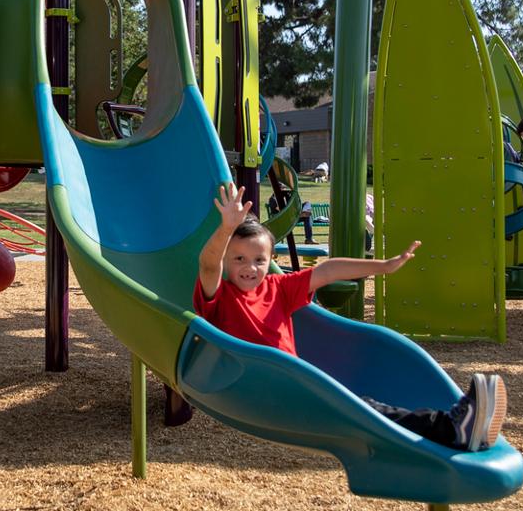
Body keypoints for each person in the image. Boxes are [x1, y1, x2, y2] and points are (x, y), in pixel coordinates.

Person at [196, 182, 506, 452]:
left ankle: (453, 428)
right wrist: (226, 228)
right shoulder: (220, 296)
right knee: (361, 408)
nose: (250, 267)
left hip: (297, 382)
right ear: (226, 260)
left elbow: (327, 271)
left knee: (363, 407)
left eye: (259, 260)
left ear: (271, 260)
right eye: (239, 259)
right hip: (259, 387)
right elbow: (209, 265)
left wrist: (382, 266)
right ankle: (453, 429)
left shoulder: (277, 287)